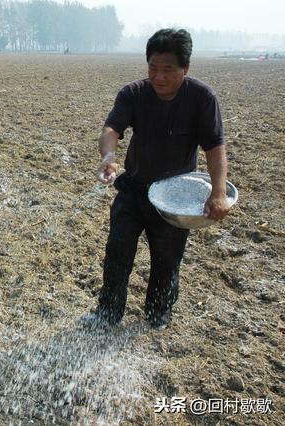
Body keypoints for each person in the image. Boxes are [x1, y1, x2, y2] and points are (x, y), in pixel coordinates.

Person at [89, 28, 230, 329]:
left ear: (185, 69)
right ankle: (108, 312)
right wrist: (108, 158)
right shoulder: (133, 94)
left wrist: (218, 191)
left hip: (174, 198)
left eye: (168, 69)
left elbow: (215, 148)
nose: (159, 77)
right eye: (153, 67)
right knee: (117, 251)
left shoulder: (201, 98)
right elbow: (111, 130)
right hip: (134, 189)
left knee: (166, 261)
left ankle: (158, 313)